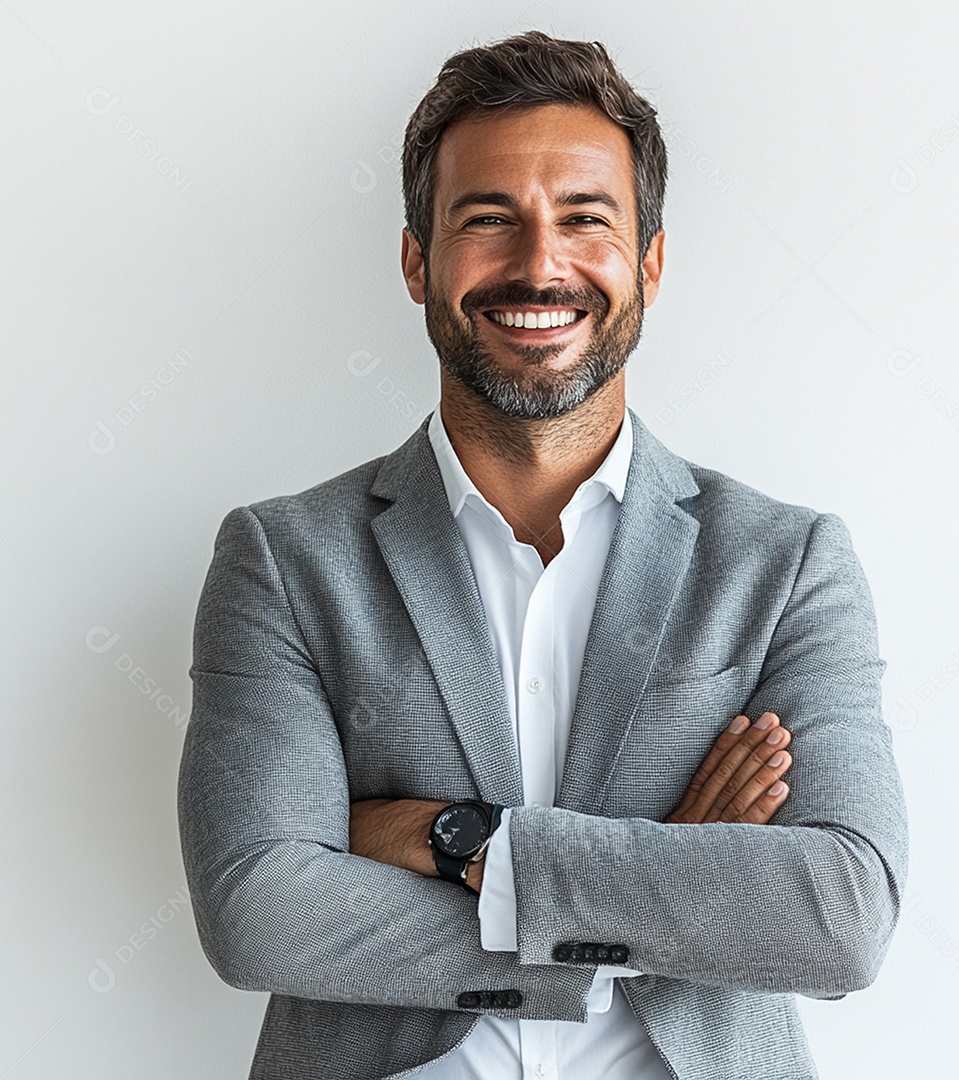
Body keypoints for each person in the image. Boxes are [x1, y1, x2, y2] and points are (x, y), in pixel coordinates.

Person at [177, 29, 908, 1080]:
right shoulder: (284, 561)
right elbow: (260, 911)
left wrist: (463, 842)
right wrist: (672, 883)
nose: (539, 263)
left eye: (585, 219)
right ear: (417, 259)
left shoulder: (788, 564)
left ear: (648, 262)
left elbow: (841, 914)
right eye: (489, 219)